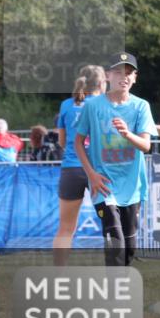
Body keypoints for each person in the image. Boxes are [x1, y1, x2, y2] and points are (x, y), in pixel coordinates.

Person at [75, 53, 158, 266]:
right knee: (115, 239)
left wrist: (127, 134)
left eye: (129, 73)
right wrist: (91, 175)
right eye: (119, 72)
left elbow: (146, 145)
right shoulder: (93, 106)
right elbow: (78, 143)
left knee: (129, 246)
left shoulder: (141, 106)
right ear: (108, 76)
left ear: (135, 78)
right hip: (103, 184)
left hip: (132, 186)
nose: (124, 77)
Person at [53, 64, 106, 265]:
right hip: (98, 169)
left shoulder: (66, 104)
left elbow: (62, 140)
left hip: (71, 169)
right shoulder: (104, 103)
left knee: (65, 228)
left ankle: (59, 274)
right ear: (101, 83)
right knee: (111, 224)